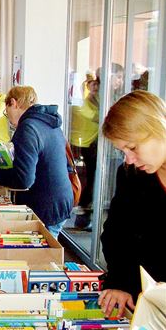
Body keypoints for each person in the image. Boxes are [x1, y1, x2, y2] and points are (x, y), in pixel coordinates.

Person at [98, 91, 166, 317]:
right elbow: (116, 233)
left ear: (158, 128)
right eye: (122, 151)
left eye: (133, 147)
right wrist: (119, 281)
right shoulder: (131, 175)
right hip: (143, 303)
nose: (128, 159)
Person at [0, 86, 73, 237]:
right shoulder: (49, 122)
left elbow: (23, 180)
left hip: (45, 206)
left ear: (14, 103)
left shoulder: (28, 127)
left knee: (41, 257)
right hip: (61, 199)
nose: (8, 118)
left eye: (7, 112)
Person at [71, 78, 100, 229]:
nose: (95, 87)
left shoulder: (93, 101)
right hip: (84, 144)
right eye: (91, 84)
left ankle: (83, 214)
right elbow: (97, 118)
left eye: (97, 84)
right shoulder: (84, 103)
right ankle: (82, 214)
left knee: (90, 179)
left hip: (91, 143)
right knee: (88, 180)